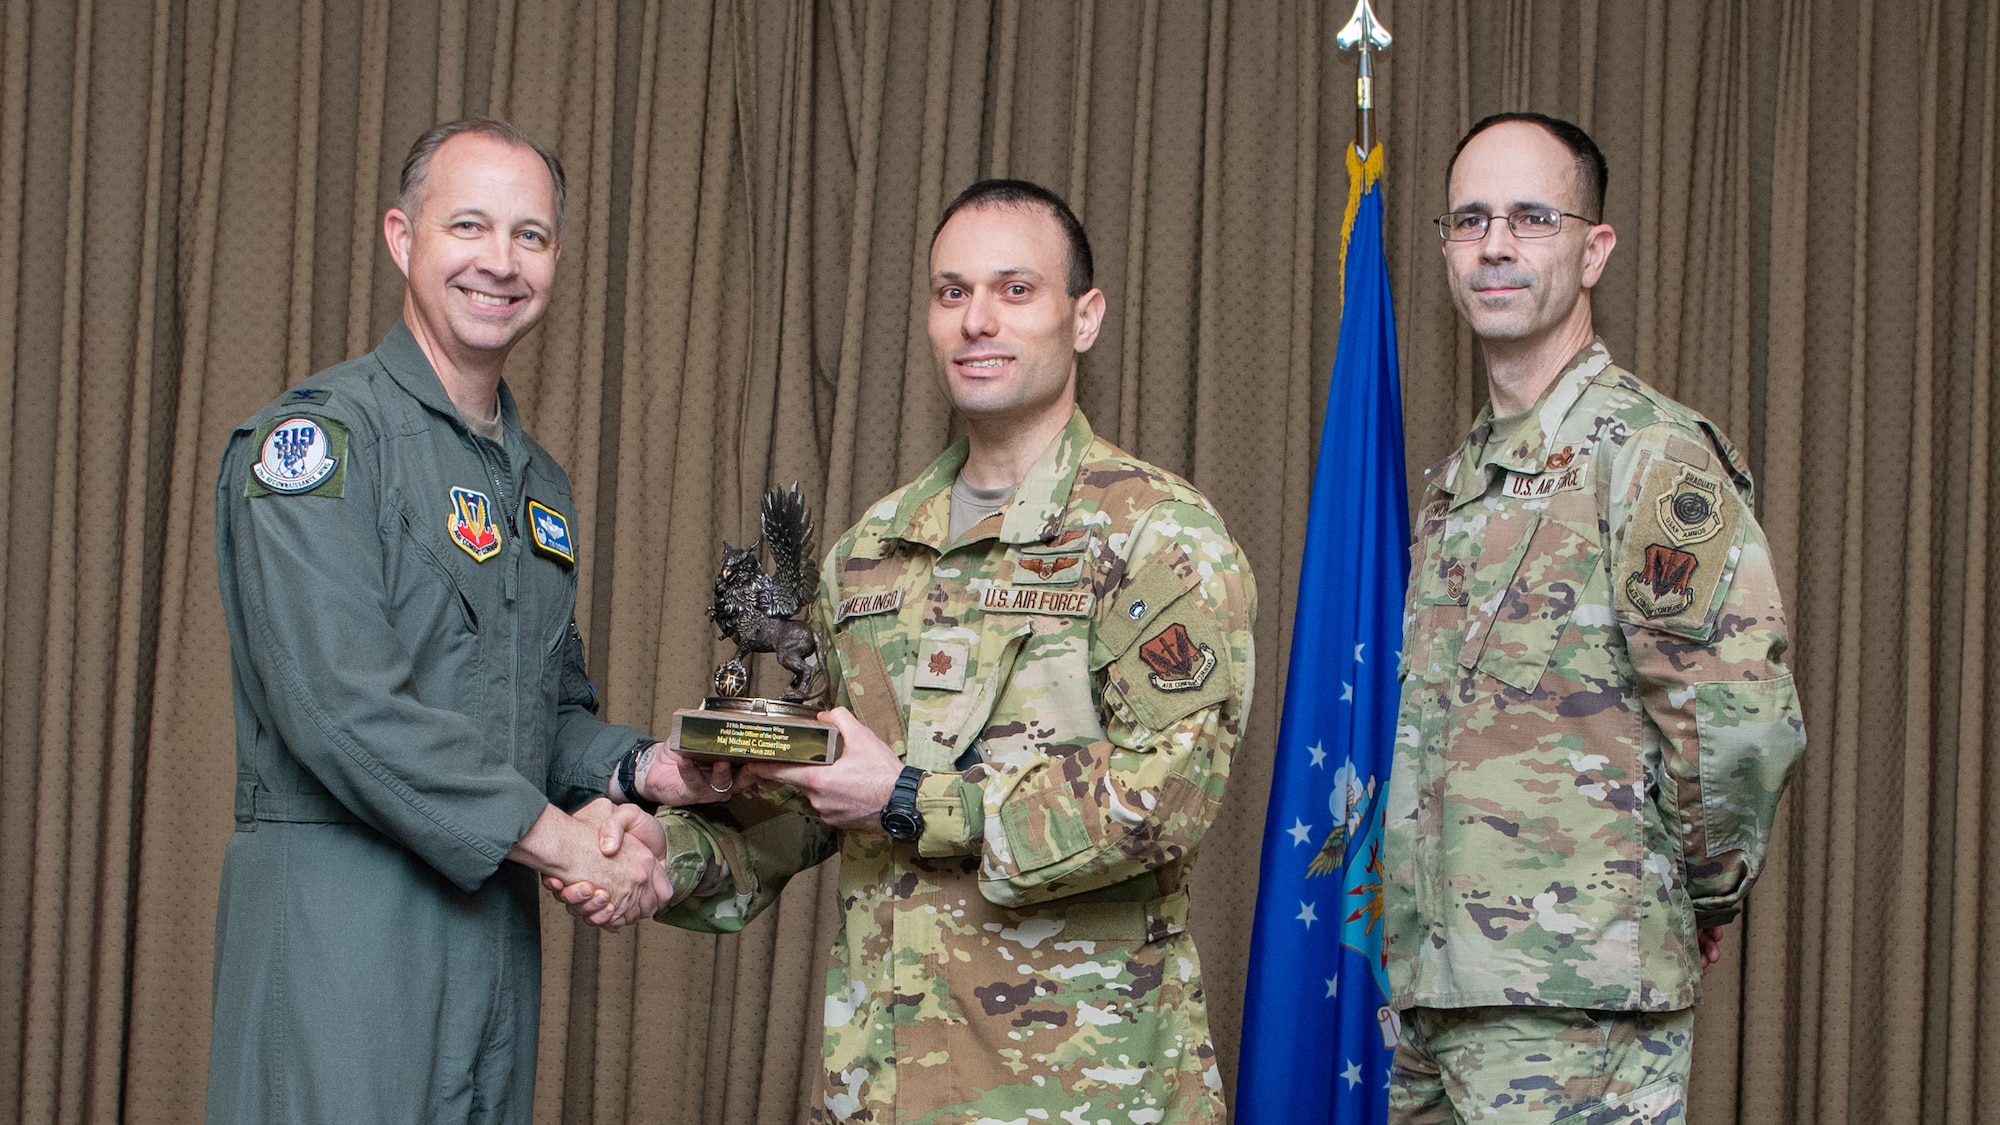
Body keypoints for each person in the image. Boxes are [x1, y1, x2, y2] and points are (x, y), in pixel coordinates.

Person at [573, 179, 1256, 1122]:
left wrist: (909, 798)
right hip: (883, 1088)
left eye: (1015, 290)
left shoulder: (1154, 535)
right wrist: (667, 851)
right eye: (951, 292)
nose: (978, 319)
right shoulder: (870, 551)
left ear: (1084, 316)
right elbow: (812, 801)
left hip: (1082, 1091)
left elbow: (1167, 797)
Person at [208, 118, 726, 1124]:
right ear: (403, 238)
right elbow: (340, 711)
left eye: (530, 236)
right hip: (341, 931)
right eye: (470, 226)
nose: (499, 261)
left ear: (555, 261)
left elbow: (541, 713)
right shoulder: (315, 443)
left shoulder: (539, 484)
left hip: (490, 932)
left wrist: (649, 771)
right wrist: (569, 848)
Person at [1380, 112, 1807, 1122]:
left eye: (1531, 218)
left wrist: (1690, 891)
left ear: (1591, 249)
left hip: (1578, 999)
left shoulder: (1648, 454)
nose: (1494, 244)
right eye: (1470, 219)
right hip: (1439, 996)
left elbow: (1736, 719)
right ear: (1444, 245)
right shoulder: (1456, 484)